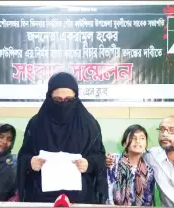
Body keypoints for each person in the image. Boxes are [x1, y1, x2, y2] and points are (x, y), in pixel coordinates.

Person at [17, 72, 108, 204]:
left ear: (76, 98)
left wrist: (89, 164)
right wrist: (30, 162)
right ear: (49, 98)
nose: (63, 104)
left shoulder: (89, 124)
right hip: (41, 199)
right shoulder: (36, 124)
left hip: (80, 199)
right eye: (58, 100)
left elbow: (99, 157)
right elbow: (23, 156)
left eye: (69, 100)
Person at [106, 124, 155, 206]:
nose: (138, 141)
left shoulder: (149, 170)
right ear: (125, 143)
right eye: (133, 138)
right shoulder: (113, 162)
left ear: (146, 144)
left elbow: (149, 198)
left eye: (142, 138)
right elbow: (108, 194)